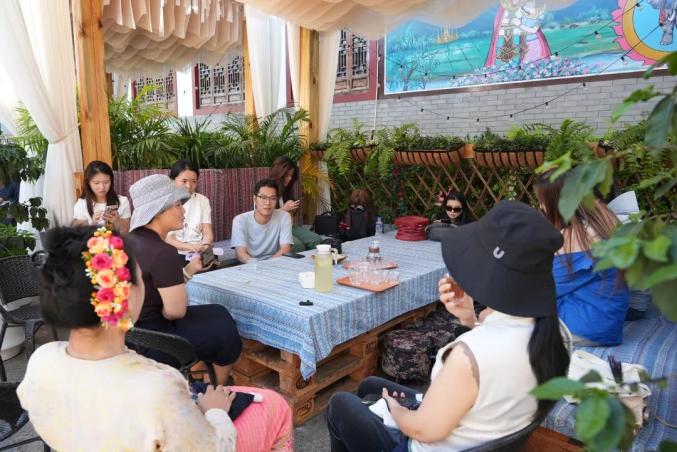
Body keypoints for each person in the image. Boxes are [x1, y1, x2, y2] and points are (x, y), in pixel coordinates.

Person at [17, 226, 294, 452]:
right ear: (125, 297)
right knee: (275, 405)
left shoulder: (43, 360)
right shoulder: (158, 385)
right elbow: (217, 447)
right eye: (140, 279)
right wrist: (214, 412)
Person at [326, 200, 571, 452]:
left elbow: (422, 430)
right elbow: (493, 366)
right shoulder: (556, 333)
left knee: (340, 404)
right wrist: (469, 319)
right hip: (480, 429)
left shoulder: (469, 355)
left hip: (424, 442)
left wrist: (396, 409)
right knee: (370, 385)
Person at [127, 174, 242, 385]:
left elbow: (155, 287)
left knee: (218, 311)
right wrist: (163, 309)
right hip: (159, 341)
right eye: (178, 205)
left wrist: (189, 270)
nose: (184, 211)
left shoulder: (130, 242)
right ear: (158, 212)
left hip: (132, 335)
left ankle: (210, 376)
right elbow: (175, 312)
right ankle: (219, 388)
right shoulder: (163, 252)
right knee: (225, 329)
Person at [535, 171, 630, 346]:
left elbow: (545, 289)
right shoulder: (605, 218)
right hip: (607, 318)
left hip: (584, 327)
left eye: (543, 200)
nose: (541, 206)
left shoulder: (576, 237)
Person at [231, 178, 293, 263]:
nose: (268, 203)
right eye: (263, 197)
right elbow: (240, 254)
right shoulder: (240, 220)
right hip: (249, 264)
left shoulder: (284, 217)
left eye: (272, 198)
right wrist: (257, 266)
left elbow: (285, 249)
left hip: (276, 262)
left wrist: (268, 265)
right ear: (255, 199)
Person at [269, 156, 322, 251]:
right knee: (298, 246)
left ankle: (312, 260)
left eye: (291, 176)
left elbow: (289, 216)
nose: (289, 179)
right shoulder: (266, 189)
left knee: (316, 239)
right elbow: (262, 216)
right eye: (286, 175)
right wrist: (284, 209)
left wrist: (293, 210)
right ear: (278, 173)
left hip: (288, 227)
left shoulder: (286, 189)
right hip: (271, 229)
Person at [165, 159, 214, 254]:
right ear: (172, 181)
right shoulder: (166, 202)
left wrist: (206, 246)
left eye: (194, 181)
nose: (189, 186)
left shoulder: (202, 200)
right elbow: (168, 239)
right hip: (175, 253)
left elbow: (207, 232)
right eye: (184, 181)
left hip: (199, 251)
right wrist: (191, 248)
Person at [73, 160, 131, 233]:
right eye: (96, 183)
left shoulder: (123, 201)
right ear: (88, 182)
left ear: (111, 181)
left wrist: (117, 222)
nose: (102, 187)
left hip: (116, 240)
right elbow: (78, 234)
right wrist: (92, 224)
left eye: (106, 182)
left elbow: (127, 232)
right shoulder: (81, 204)